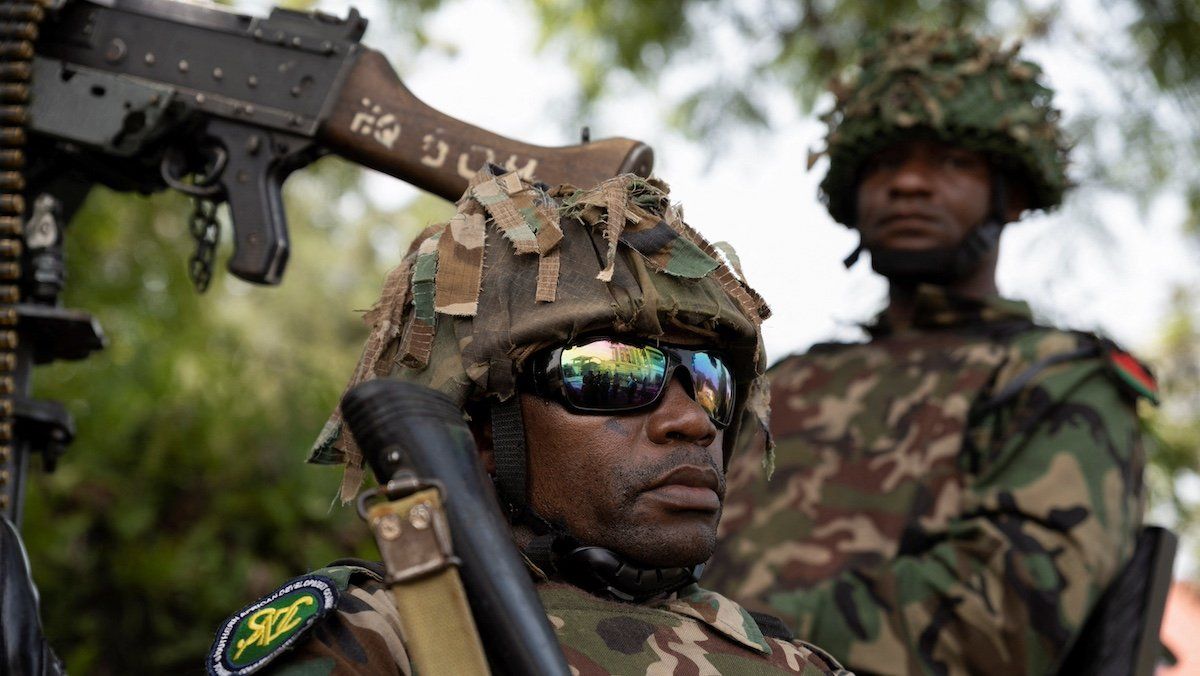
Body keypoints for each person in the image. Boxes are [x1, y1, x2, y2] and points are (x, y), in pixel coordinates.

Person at [206, 168, 849, 675]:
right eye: (614, 372)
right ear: (484, 434)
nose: (690, 421)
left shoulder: (793, 664)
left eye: (710, 382)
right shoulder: (387, 637)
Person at [705, 28, 1157, 675]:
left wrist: (708, 630)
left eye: (952, 162)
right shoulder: (786, 380)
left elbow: (998, 626)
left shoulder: (1055, 379)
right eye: (885, 164)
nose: (910, 183)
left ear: (1014, 194)